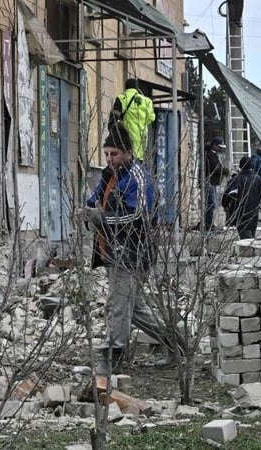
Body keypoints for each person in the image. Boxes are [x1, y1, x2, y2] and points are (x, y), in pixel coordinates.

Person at [77, 124, 182, 375]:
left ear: (127, 152)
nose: (109, 159)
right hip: (114, 249)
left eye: (114, 154)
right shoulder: (109, 175)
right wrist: (87, 209)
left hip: (133, 251)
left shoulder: (138, 177)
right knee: (133, 309)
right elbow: (95, 199)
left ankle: (111, 355)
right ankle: (176, 341)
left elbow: (138, 215)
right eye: (106, 154)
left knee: (117, 305)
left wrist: (101, 218)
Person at [108, 78, 155, 162]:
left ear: (126, 87)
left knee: (125, 170)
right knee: (137, 169)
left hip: (126, 143)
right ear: (137, 88)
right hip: (142, 143)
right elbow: (151, 118)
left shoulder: (122, 98)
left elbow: (113, 120)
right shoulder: (147, 101)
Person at [222, 156, 261, 239]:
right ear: (252, 166)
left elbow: (228, 195)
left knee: (246, 239)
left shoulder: (236, 179)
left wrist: (225, 205)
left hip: (240, 214)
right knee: (251, 236)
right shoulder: (257, 179)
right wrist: (260, 203)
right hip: (253, 214)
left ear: (240, 166)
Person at [191, 136, 227, 231]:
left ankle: (207, 223)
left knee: (211, 204)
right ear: (214, 145)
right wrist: (225, 171)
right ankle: (208, 224)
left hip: (211, 182)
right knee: (211, 204)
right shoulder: (210, 154)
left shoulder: (211, 154)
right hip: (209, 182)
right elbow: (215, 168)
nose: (220, 149)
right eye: (219, 147)